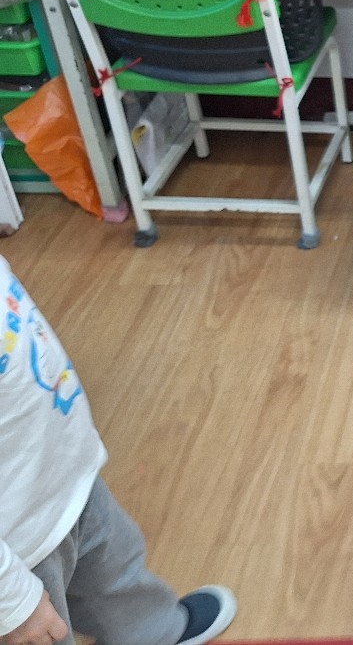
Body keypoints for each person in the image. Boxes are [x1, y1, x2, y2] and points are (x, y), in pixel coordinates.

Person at [0, 256, 235, 645]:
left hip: (61, 474)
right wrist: (11, 601)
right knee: (46, 630)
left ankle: (154, 634)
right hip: (17, 548)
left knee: (114, 573)